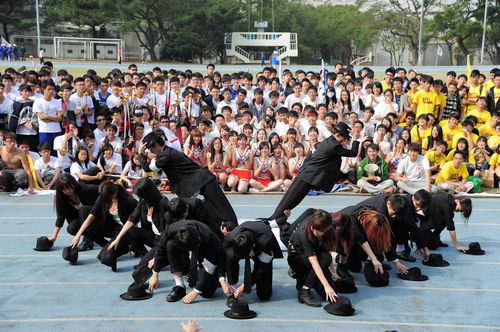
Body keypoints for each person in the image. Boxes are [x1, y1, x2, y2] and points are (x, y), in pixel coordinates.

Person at [268, 122, 363, 221]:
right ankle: (273, 219)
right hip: (307, 176)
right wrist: (356, 139)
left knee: (291, 201)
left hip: (307, 175)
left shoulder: (328, 141)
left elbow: (319, 149)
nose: (346, 141)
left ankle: (277, 219)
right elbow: (353, 153)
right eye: (345, 138)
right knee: (290, 201)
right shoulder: (334, 146)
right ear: (338, 135)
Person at [139, 130, 238, 225]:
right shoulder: (165, 152)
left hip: (204, 180)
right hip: (192, 184)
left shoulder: (166, 155)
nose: (150, 151)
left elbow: (148, 168)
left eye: (150, 148)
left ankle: (234, 228)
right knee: (189, 209)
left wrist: (141, 154)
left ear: (156, 145)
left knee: (223, 208)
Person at [148, 219, 223, 304]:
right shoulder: (172, 229)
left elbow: (209, 268)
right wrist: (155, 274)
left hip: (209, 262)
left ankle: (205, 280)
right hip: (191, 260)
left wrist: (196, 291)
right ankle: (179, 285)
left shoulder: (210, 238)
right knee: (170, 244)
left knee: (206, 293)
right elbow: (160, 249)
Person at [70, 181, 138, 270]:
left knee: (103, 257)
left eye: (111, 196)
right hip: (112, 227)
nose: (109, 199)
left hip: (124, 229)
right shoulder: (104, 196)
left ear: (115, 192)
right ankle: (109, 246)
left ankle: (127, 247)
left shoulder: (126, 199)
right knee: (88, 231)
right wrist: (78, 235)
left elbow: (139, 208)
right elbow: (91, 215)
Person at [221, 221, 283, 304]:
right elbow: (221, 257)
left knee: (264, 295)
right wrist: (222, 280)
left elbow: (260, 268)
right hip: (248, 244)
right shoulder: (231, 236)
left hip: (262, 250)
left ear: (253, 246)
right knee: (229, 254)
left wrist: (245, 286)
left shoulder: (267, 242)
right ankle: (233, 287)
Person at [287, 209, 339, 307]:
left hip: (317, 256)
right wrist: (326, 285)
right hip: (298, 258)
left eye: (323, 231)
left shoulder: (326, 226)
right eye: (318, 230)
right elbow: (314, 262)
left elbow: (326, 250)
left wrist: (333, 272)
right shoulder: (304, 233)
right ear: (312, 225)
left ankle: (305, 278)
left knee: (331, 295)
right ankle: (304, 289)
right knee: (325, 259)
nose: (319, 233)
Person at [108, 178, 169, 258]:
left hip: (164, 240)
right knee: (130, 230)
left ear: (148, 193)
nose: (140, 198)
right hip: (153, 237)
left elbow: (169, 229)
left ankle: (158, 257)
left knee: (144, 267)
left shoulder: (163, 203)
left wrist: (156, 256)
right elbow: (132, 219)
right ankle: (143, 254)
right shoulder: (143, 202)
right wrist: (117, 239)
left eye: (141, 195)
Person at [48, 174, 99, 250]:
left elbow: (104, 188)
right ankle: (91, 235)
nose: (68, 191)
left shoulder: (84, 189)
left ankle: (87, 240)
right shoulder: (62, 199)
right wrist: (54, 236)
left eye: (69, 188)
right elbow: (60, 217)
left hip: (97, 216)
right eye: (64, 189)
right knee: (72, 228)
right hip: (84, 221)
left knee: (83, 210)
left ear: (74, 184)